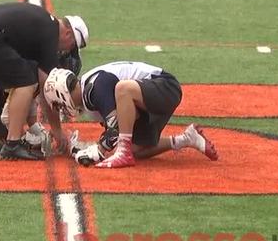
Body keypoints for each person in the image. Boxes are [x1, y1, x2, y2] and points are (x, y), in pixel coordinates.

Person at [0, 2, 88, 160]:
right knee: (26, 81)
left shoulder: (42, 23)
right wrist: (56, 129)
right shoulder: (51, 31)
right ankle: (12, 145)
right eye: (72, 46)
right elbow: (46, 88)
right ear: (68, 33)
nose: (66, 50)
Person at [43, 61, 219, 168]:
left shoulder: (94, 86)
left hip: (166, 86)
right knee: (135, 149)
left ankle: (123, 152)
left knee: (123, 89)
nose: (61, 109)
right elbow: (120, 125)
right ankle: (185, 139)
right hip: (147, 98)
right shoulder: (88, 93)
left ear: (62, 93)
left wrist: (98, 149)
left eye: (58, 104)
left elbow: (114, 127)